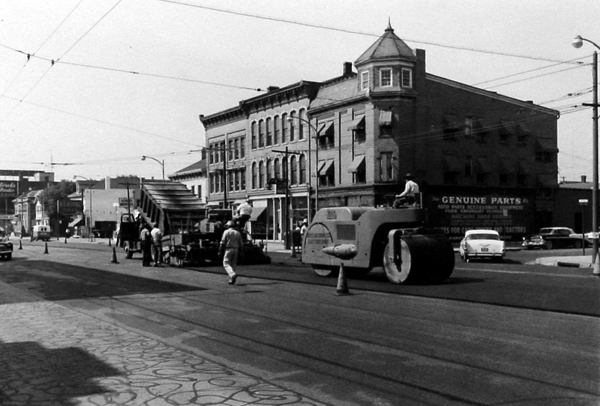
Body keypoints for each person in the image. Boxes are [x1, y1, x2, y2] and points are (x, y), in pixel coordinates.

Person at [219, 220, 244, 285]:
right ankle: (231, 279)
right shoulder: (237, 233)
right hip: (236, 249)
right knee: (233, 264)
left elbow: (223, 242)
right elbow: (241, 243)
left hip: (228, 249)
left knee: (226, 263)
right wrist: (242, 252)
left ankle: (232, 274)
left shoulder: (226, 232)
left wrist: (220, 251)